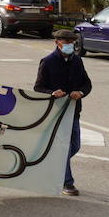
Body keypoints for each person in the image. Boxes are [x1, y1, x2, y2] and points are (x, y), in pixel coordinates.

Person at [34, 29, 92, 197]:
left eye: (71, 43)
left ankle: (52, 164)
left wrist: (80, 93)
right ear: (57, 43)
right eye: (65, 43)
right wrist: (52, 93)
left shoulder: (78, 61)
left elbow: (87, 84)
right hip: (56, 113)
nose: (68, 46)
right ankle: (67, 183)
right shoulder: (48, 61)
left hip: (73, 111)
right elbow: (38, 87)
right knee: (64, 148)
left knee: (75, 145)